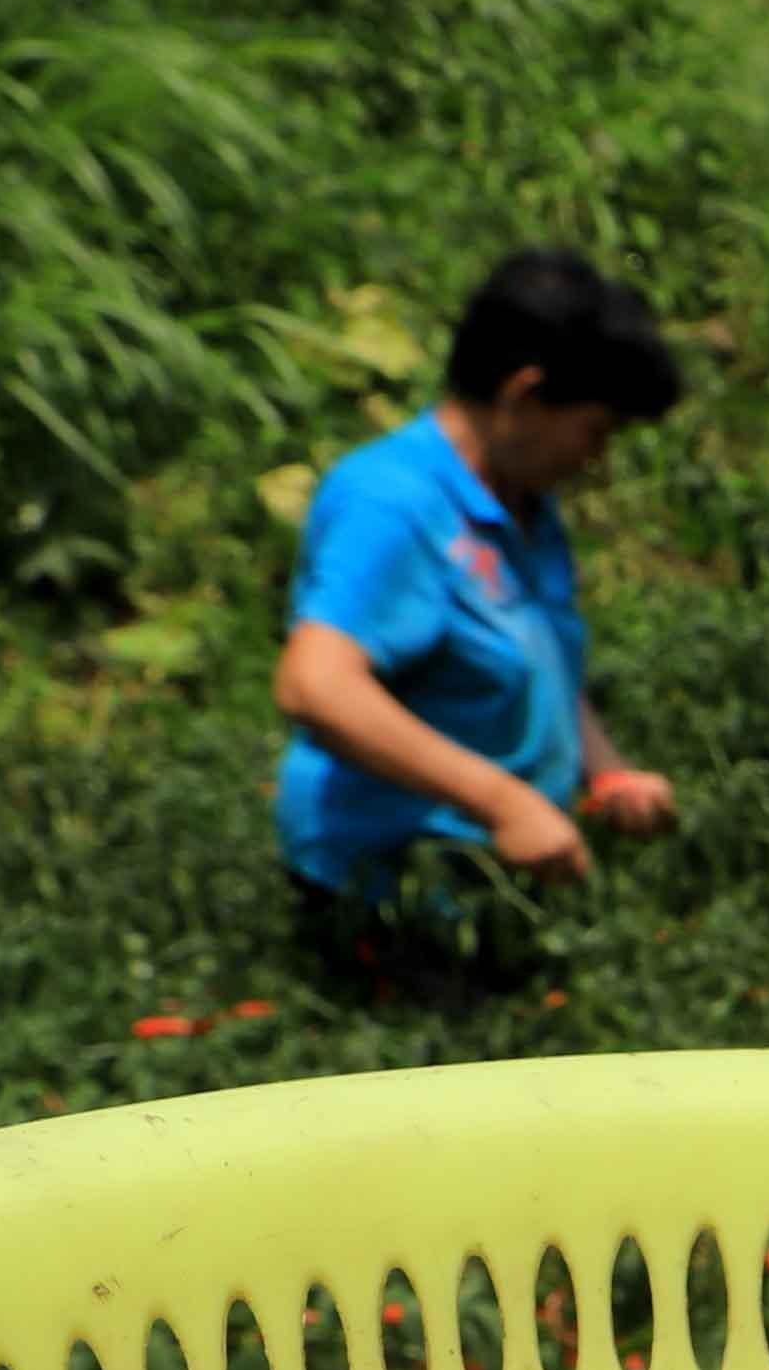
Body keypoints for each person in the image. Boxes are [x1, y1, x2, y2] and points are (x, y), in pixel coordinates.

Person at [274, 247, 686, 987]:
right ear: (523, 395)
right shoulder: (393, 504)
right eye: (595, 430)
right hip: (388, 897)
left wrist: (607, 771)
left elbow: (534, 649)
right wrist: (503, 803)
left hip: (486, 885)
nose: (598, 459)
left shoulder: (520, 498)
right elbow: (314, 687)